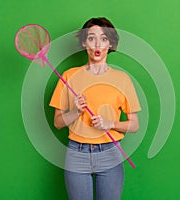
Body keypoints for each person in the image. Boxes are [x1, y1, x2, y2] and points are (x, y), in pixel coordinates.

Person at [49, 17, 141, 200]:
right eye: (91, 38)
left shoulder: (122, 79)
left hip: (110, 154)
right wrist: (76, 112)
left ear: (111, 43)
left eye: (104, 38)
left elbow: (134, 125)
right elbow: (58, 122)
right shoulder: (69, 76)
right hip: (77, 154)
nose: (97, 44)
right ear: (84, 42)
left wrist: (110, 123)